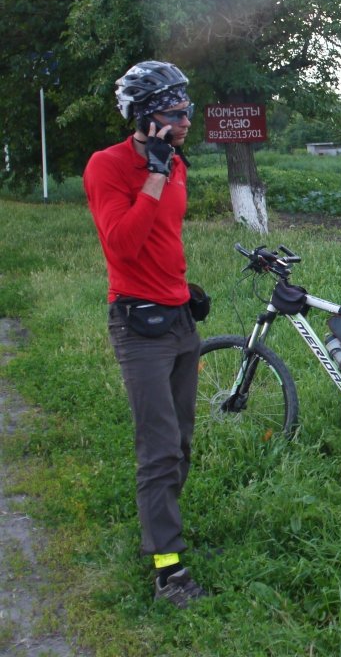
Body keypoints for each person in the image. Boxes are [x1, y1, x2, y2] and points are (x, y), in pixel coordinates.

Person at [83, 61, 207, 608]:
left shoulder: (176, 163)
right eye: (175, 112)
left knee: (180, 443)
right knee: (158, 449)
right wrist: (153, 175)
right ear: (144, 116)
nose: (185, 121)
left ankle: (162, 535)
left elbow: (163, 237)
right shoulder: (107, 166)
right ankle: (167, 570)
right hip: (139, 325)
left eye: (187, 110)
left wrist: (184, 287)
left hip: (177, 316)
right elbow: (122, 246)